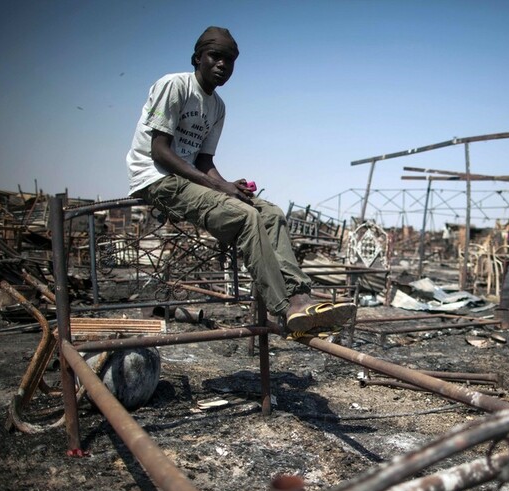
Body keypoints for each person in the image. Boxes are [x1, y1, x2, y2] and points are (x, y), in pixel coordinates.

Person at [126, 26, 354, 333]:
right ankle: (283, 309)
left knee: (271, 213)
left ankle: (300, 297)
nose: (222, 65)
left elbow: (204, 161)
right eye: (215, 56)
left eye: (229, 60)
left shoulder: (217, 107)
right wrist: (218, 187)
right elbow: (160, 151)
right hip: (156, 178)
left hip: (187, 180)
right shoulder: (175, 85)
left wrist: (229, 185)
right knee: (246, 217)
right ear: (197, 58)